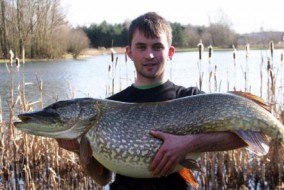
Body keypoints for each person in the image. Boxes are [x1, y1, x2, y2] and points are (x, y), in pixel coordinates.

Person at [57, 12, 247, 190]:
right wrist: (80, 151)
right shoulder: (110, 107)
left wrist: (190, 144)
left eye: (157, 46)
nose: (149, 55)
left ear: (170, 52)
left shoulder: (192, 98)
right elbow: (103, 178)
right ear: (129, 52)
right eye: (141, 47)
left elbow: (245, 137)